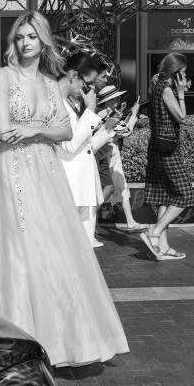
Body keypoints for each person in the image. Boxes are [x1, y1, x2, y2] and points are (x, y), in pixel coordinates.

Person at [0, 11, 128, 368]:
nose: (25, 43)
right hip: (12, 169)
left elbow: (65, 133)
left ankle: (59, 338)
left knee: (52, 245)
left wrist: (34, 130)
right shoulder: (3, 76)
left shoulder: (52, 82)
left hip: (46, 171)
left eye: (32, 36)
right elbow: (4, 131)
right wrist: (43, 127)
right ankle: (14, 333)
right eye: (19, 37)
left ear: (43, 40)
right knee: (16, 245)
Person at [56, 52, 118, 248]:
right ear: (74, 75)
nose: (89, 90)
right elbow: (70, 144)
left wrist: (108, 129)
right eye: (88, 83)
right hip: (70, 186)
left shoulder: (72, 101)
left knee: (84, 251)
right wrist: (91, 110)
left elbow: (86, 146)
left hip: (83, 186)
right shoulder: (56, 103)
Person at [140, 53, 194, 260]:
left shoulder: (157, 84)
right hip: (167, 149)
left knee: (165, 196)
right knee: (185, 195)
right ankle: (153, 232)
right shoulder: (165, 89)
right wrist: (181, 94)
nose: (184, 78)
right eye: (183, 73)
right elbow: (182, 117)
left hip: (157, 146)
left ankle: (162, 246)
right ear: (176, 72)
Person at [95, 84, 144, 232]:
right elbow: (125, 131)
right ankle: (91, 221)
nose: (118, 99)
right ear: (111, 100)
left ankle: (128, 221)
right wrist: (134, 113)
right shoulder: (106, 115)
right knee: (115, 186)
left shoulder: (104, 113)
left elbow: (120, 128)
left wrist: (126, 114)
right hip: (107, 153)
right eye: (116, 97)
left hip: (107, 153)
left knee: (115, 187)